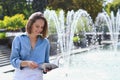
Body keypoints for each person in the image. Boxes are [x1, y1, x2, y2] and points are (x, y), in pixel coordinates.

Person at [10, 12, 50, 80]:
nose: (39, 29)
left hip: (37, 77)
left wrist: (46, 68)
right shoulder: (19, 39)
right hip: (20, 77)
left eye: (42, 27)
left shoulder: (45, 42)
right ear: (30, 24)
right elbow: (13, 60)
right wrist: (27, 63)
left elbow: (46, 62)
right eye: (37, 26)